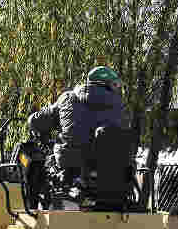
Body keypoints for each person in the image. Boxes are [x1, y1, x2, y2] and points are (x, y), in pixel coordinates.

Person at [27, 66, 126, 197]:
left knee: (41, 163)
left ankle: (33, 201)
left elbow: (37, 121)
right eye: (115, 85)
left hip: (72, 164)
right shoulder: (120, 108)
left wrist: (33, 120)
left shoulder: (68, 98)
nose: (117, 88)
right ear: (107, 85)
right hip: (111, 170)